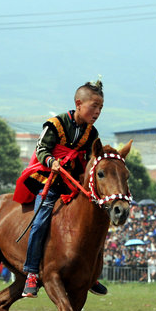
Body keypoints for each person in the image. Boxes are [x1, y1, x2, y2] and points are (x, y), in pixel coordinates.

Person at [13, 78, 108, 298]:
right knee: (39, 222)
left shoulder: (92, 134)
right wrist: (51, 162)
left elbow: (91, 160)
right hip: (49, 180)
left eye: (101, 108)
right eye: (94, 106)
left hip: (73, 182)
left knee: (97, 220)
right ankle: (32, 274)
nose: (97, 112)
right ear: (78, 103)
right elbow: (41, 150)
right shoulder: (55, 124)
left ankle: (91, 275)